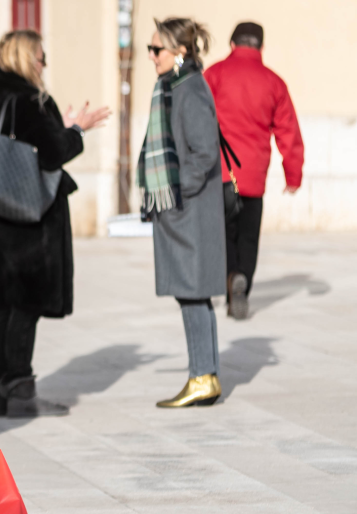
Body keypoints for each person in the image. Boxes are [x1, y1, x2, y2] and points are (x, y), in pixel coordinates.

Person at [0, 30, 109, 417]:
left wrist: (60, 126)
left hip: (0, 212)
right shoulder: (33, 101)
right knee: (27, 303)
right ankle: (21, 390)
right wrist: (76, 130)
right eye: (41, 57)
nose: (45, 64)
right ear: (26, 60)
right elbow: (53, 154)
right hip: (31, 217)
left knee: (5, 304)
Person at [142, 18, 226, 408]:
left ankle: (202, 377)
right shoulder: (173, 87)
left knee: (192, 295)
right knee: (193, 296)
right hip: (184, 211)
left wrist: (176, 192)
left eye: (156, 49)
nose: (151, 56)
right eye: (150, 49)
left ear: (180, 52)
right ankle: (205, 375)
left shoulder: (189, 89)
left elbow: (205, 152)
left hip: (189, 211)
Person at [204, 21, 303, 319]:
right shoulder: (274, 82)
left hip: (220, 174)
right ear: (260, 47)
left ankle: (232, 275)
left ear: (232, 44)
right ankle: (243, 285)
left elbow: (198, 118)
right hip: (254, 176)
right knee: (248, 236)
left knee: (224, 234)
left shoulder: (215, 74)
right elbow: (289, 131)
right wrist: (293, 174)